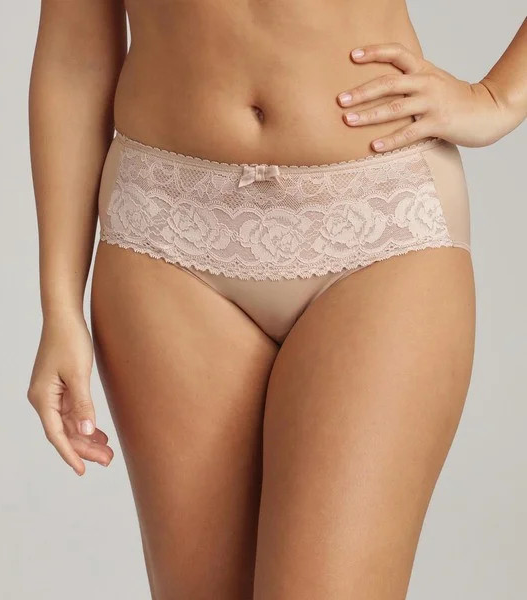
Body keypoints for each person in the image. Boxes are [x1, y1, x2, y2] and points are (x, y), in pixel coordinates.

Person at [27, 2, 526, 598]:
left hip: (379, 219)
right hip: (166, 230)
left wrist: (500, 98)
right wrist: (60, 308)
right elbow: (74, 55)